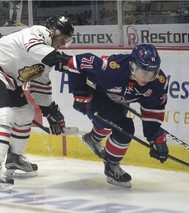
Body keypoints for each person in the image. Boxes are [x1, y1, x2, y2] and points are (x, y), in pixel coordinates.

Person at [59, 44, 169, 188]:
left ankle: (92, 138)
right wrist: (80, 94)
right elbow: (75, 62)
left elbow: (152, 111)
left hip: (119, 100)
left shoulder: (158, 84)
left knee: (112, 123)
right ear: (133, 66)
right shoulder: (111, 70)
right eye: (144, 72)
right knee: (125, 129)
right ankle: (111, 166)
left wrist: (156, 138)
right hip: (100, 95)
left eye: (152, 73)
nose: (148, 78)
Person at [0, 15, 74, 188]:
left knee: (26, 114)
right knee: (6, 115)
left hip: (9, 79)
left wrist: (50, 111)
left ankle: (14, 158)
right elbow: (37, 50)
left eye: (67, 40)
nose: (64, 43)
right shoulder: (35, 33)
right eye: (63, 38)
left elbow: (40, 85)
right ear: (53, 32)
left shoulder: (48, 59)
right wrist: (63, 59)